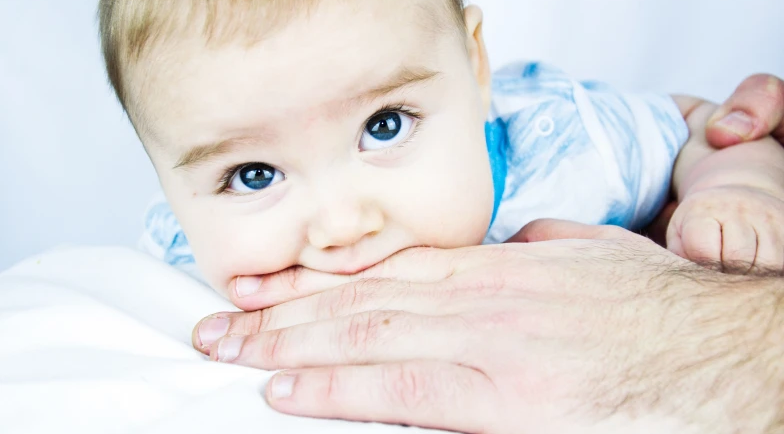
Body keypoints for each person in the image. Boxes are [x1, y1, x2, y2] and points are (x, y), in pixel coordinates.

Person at [183, 74, 784, 433]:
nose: (340, 224)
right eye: (254, 175)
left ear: (474, 69)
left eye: (385, 125)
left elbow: (698, 122)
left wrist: (737, 186)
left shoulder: (569, 155)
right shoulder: (186, 247)